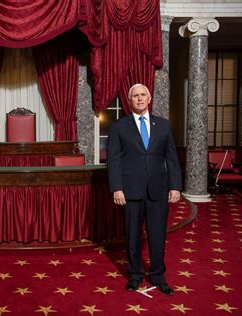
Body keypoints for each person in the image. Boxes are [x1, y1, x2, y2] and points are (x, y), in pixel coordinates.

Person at [107, 83, 182, 296]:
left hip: (159, 190)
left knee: (158, 235)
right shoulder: (119, 127)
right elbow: (113, 160)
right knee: (132, 236)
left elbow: (172, 158)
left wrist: (175, 186)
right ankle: (135, 275)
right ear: (129, 101)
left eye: (143, 95)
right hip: (130, 190)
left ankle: (158, 276)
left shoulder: (164, 126)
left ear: (149, 99)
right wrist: (117, 188)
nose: (140, 99)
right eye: (135, 96)